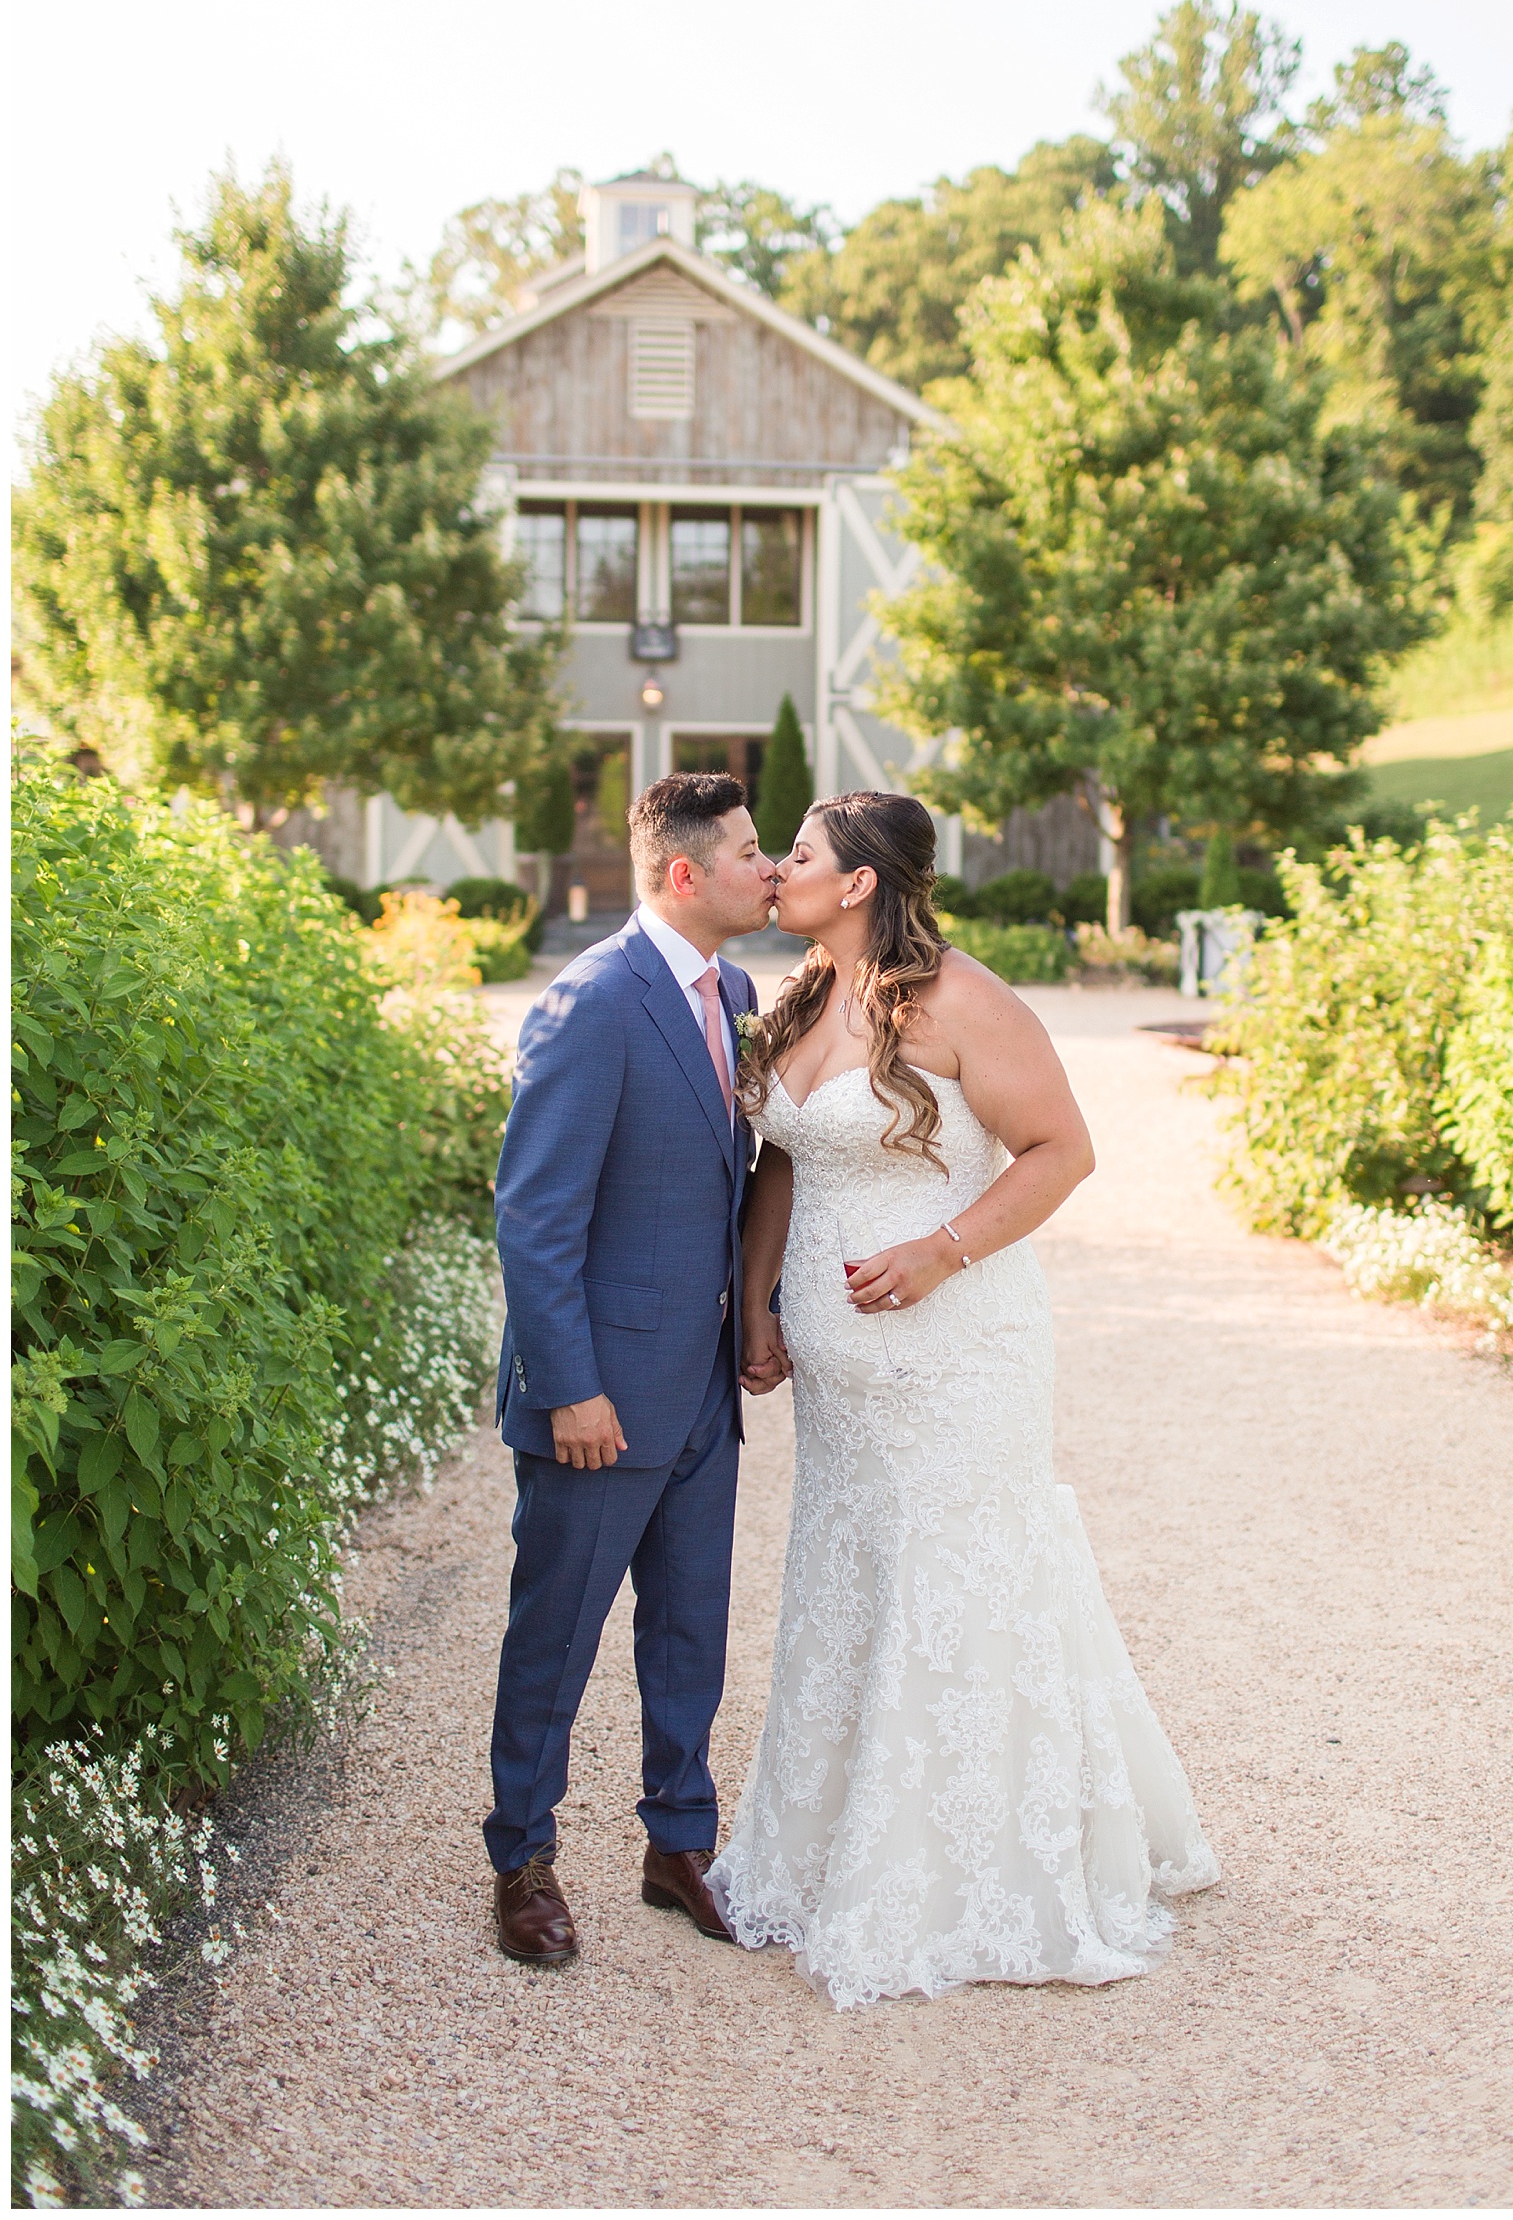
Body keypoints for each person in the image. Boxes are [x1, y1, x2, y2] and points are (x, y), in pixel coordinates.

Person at [712, 790, 1219, 2006]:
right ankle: (832, 1844)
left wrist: (943, 1247)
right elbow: (788, 1155)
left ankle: (966, 1870)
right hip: (843, 1381)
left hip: (960, 1352)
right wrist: (759, 1299)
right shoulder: (803, 998)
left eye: (800, 854)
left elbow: (1063, 1150)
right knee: (850, 1579)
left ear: (859, 884)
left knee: (960, 1579)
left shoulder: (961, 1000)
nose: (776, 868)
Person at [483, 772, 777, 1964]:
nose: (772, 869)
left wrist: (754, 1317)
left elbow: (732, 1173)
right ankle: (521, 1858)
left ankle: (678, 1843)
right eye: (756, 851)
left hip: (704, 1378)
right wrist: (571, 1385)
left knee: (693, 1626)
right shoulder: (592, 1002)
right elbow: (533, 1215)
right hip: (597, 1396)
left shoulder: (740, 989)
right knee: (556, 1632)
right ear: (686, 873)